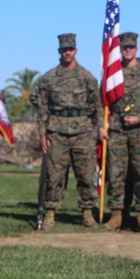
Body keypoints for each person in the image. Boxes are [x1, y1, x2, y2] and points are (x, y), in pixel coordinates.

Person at [30, 33, 103, 230]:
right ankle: (50, 213)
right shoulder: (48, 79)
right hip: (57, 131)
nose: (67, 53)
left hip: (83, 132)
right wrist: (42, 133)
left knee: (86, 174)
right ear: (59, 52)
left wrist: (100, 128)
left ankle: (87, 213)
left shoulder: (88, 78)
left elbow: (98, 106)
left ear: (76, 51)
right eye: (64, 50)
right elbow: (42, 108)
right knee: (53, 175)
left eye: (70, 49)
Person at [101, 32, 140, 233]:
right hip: (117, 130)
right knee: (116, 174)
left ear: (137, 49)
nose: (128, 50)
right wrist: (102, 125)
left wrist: (139, 118)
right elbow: (103, 101)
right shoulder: (113, 74)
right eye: (124, 47)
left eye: (131, 47)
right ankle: (116, 215)